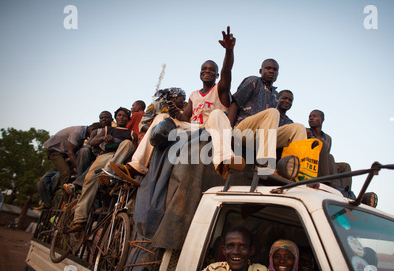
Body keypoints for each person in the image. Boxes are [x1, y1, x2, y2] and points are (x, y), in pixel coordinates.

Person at [112, 26, 244, 180]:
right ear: (200, 73)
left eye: (211, 70)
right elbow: (185, 118)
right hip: (194, 128)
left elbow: (226, 71)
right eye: (204, 69)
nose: (207, 71)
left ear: (215, 75)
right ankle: (137, 165)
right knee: (161, 117)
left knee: (216, 114)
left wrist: (229, 51)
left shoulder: (220, 89)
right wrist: (176, 114)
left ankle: (224, 160)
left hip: (212, 127)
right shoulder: (194, 95)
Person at [230, 59, 307, 175]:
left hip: (261, 136)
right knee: (273, 112)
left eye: (275, 70)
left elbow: (273, 125)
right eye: (268, 68)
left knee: (298, 128)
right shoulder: (254, 81)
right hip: (243, 129)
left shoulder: (275, 95)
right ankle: (265, 162)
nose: (272, 71)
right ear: (261, 71)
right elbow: (234, 102)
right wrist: (228, 130)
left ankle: (295, 170)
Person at [68, 107, 137, 232]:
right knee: (89, 182)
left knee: (128, 143)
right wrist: (103, 138)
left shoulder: (132, 134)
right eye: (120, 115)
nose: (122, 117)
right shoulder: (107, 129)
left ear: (128, 119)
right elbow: (92, 142)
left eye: (125, 116)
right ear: (116, 117)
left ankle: (107, 173)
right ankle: (79, 220)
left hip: (119, 159)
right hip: (104, 156)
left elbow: (135, 152)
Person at [184, 226, 271, 271]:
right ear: (224, 250)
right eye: (230, 246)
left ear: (251, 251)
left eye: (242, 246)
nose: (236, 251)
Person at [43, 123, 102, 188]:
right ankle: (66, 193)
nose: (94, 136)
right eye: (95, 134)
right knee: (65, 172)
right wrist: (78, 168)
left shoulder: (84, 134)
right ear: (92, 130)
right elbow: (70, 153)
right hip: (55, 151)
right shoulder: (78, 132)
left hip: (64, 152)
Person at [307, 109, 352, 190]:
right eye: (310, 116)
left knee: (345, 166)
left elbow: (325, 156)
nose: (311, 118)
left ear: (322, 119)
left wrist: (333, 167)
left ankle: (346, 192)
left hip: (325, 163)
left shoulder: (328, 138)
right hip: (311, 162)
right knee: (330, 156)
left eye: (314, 116)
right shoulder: (306, 132)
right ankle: (334, 187)